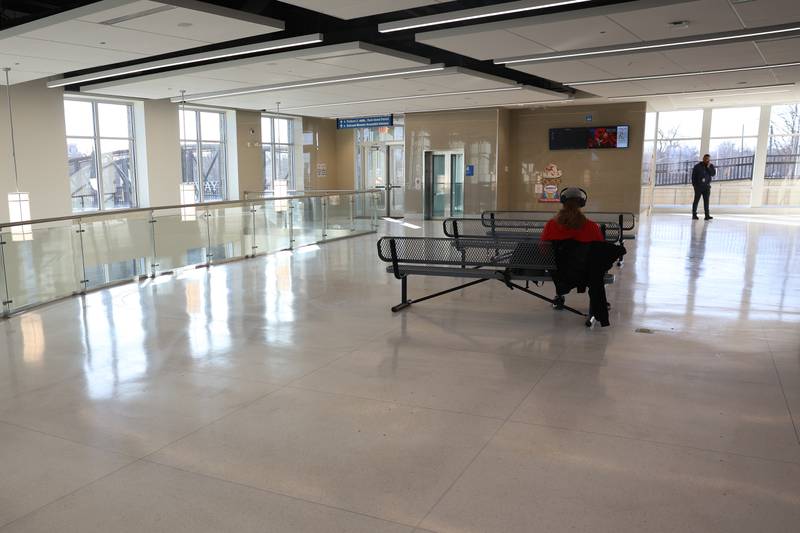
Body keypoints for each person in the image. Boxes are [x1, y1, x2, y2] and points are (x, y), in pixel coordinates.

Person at [540, 188, 624, 327]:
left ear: (563, 202)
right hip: (586, 273)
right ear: (582, 204)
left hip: (560, 273)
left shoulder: (551, 225)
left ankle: (560, 294)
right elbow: (599, 254)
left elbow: (544, 250)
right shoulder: (591, 227)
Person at [691, 154, 715, 220]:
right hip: (698, 187)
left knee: (706, 202)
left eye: (708, 159)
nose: (707, 160)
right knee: (696, 201)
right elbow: (693, 177)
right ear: (703, 159)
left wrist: (708, 167)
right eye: (706, 159)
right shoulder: (697, 166)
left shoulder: (710, 166)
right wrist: (695, 186)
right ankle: (694, 215)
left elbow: (713, 174)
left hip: (706, 187)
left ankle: (707, 215)